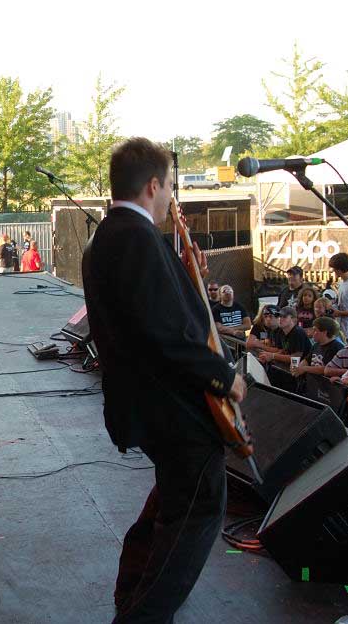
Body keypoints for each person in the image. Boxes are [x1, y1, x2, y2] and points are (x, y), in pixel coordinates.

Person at [82, 137, 245, 623]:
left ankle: (132, 590)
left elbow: (156, 311)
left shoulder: (111, 236)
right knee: (199, 507)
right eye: (170, 186)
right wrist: (224, 377)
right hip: (171, 406)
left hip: (149, 402)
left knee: (173, 501)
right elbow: (163, 332)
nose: (172, 196)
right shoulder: (135, 237)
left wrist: (186, 275)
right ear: (153, 185)